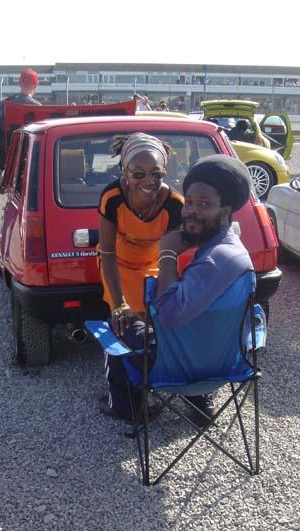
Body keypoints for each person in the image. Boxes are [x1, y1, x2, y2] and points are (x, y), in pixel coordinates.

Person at [100, 154, 253, 423]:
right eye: (189, 202)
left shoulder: (215, 259)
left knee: (120, 323)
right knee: (146, 319)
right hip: (223, 363)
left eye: (204, 204)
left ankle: (127, 409)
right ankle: (202, 404)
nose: (191, 210)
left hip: (179, 368)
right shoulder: (227, 248)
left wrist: (167, 253)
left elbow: (167, 317)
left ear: (226, 210)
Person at [97, 132, 184, 417]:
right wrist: (119, 303)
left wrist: (166, 297)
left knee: (153, 325)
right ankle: (123, 401)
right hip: (117, 264)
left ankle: (148, 383)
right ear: (124, 172)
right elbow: (107, 252)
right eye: (139, 174)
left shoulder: (174, 204)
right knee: (121, 324)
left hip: (153, 265)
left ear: (165, 172)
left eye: (156, 174)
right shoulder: (112, 198)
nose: (148, 181)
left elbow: (170, 257)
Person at [0, 68, 41, 171]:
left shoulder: (2, 105)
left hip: (4, 164)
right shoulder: (37, 108)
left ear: (20, 84)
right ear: (35, 86)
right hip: (29, 165)